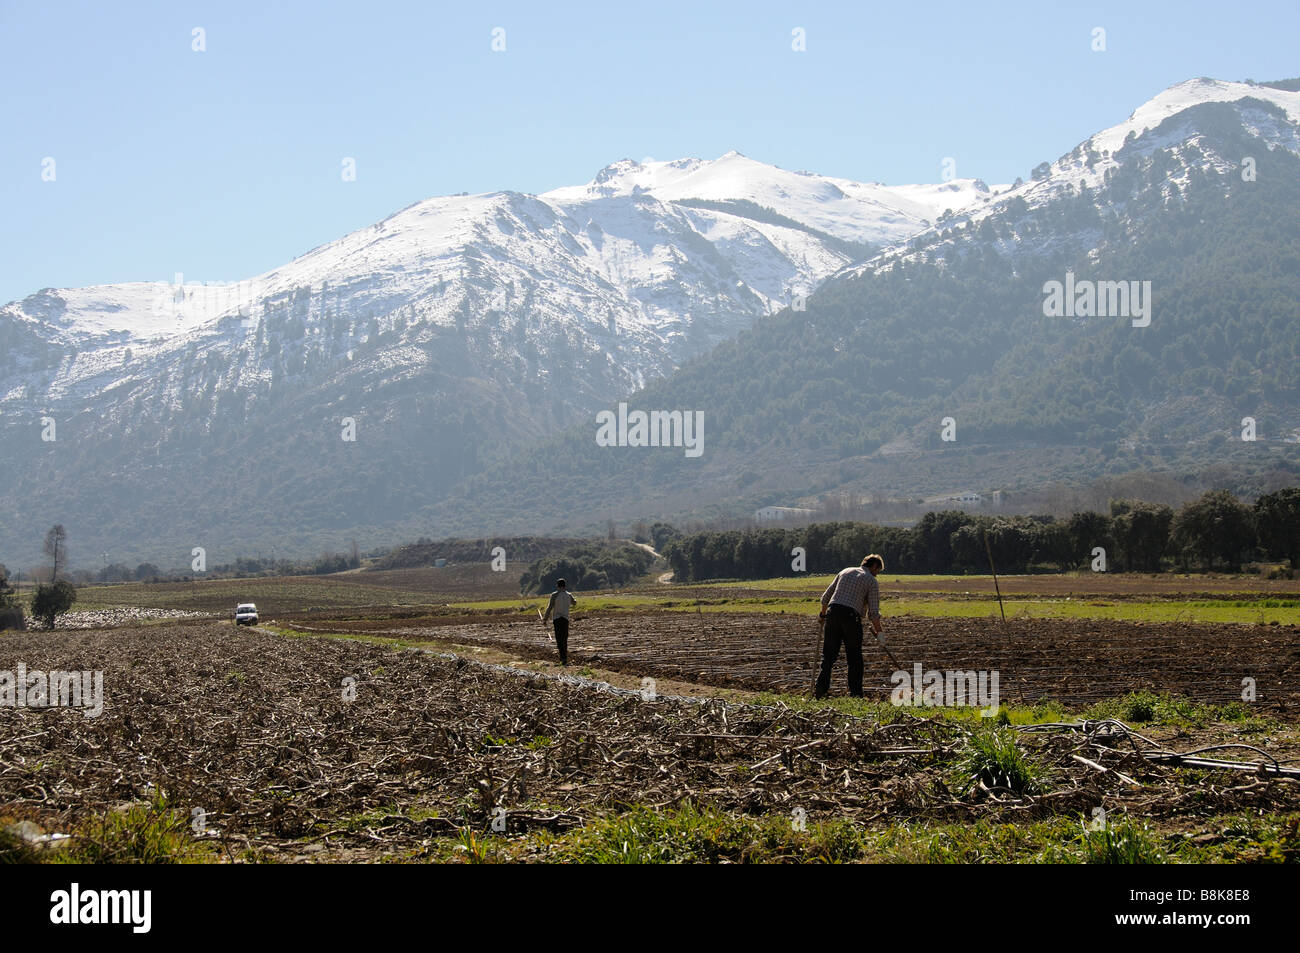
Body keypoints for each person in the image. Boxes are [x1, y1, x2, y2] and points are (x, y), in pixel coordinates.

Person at [815, 554, 885, 698]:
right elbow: (873, 612)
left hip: (832, 613)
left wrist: (823, 615)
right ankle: (856, 695)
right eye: (878, 571)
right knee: (854, 658)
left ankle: (820, 689)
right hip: (851, 617)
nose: (877, 574)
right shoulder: (871, 581)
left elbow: (826, 597)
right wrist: (880, 633)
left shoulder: (845, 571)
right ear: (874, 566)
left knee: (828, 655)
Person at [542, 578, 577, 666]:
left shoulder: (554, 595)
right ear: (565, 586)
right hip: (565, 619)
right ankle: (564, 658)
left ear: (557, 586)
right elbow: (574, 603)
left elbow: (549, 608)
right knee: (564, 639)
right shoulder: (569, 595)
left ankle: (562, 659)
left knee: (559, 639)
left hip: (557, 619)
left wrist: (545, 619)